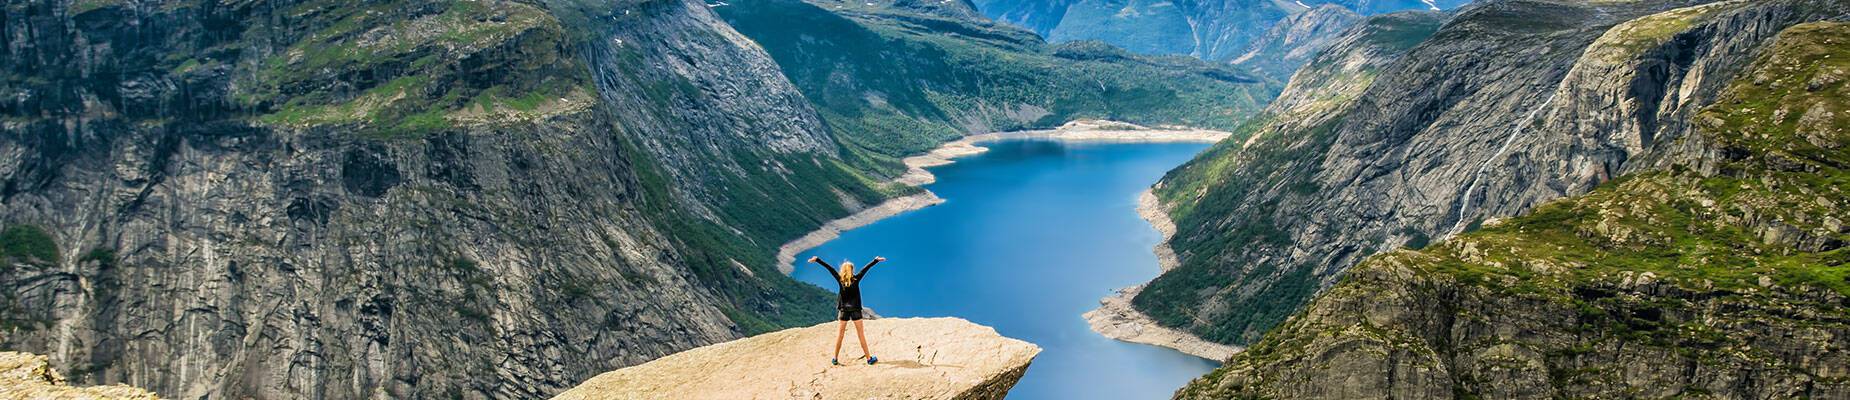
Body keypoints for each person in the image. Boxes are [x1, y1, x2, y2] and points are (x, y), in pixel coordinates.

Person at [808, 255, 886, 366]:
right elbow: (865, 269)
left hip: (844, 310)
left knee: (840, 335)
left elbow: (830, 269)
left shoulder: (840, 279)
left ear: (843, 270)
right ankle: (869, 359)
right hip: (855, 310)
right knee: (861, 335)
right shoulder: (856, 279)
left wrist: (817, 260)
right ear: (852, 270)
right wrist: (875, 261)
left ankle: (835, 358)